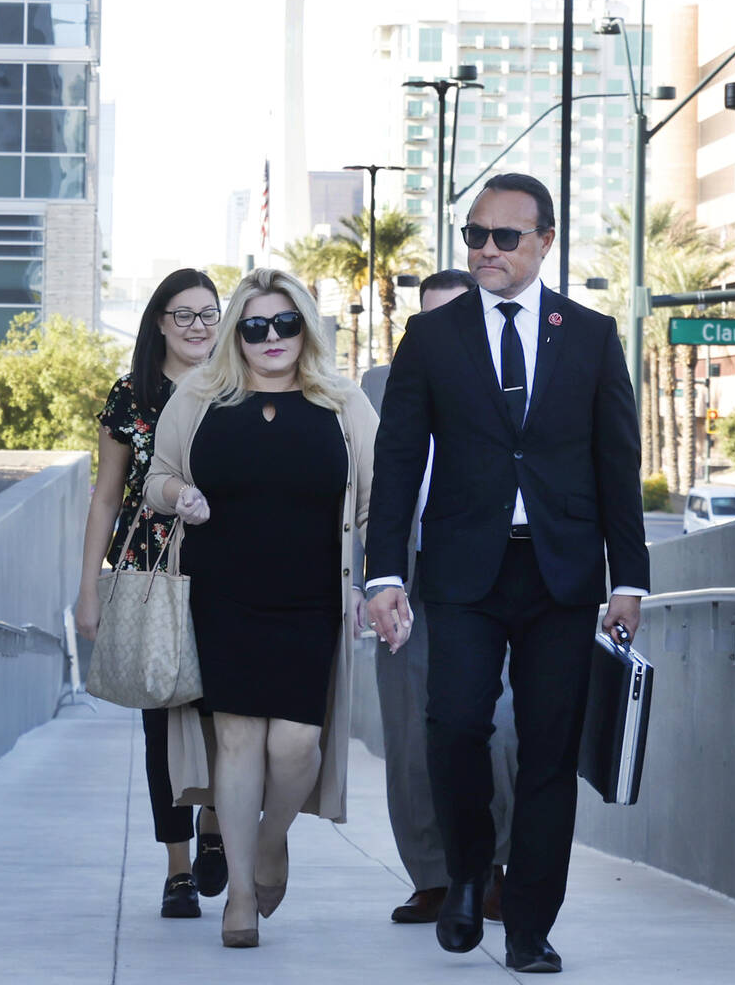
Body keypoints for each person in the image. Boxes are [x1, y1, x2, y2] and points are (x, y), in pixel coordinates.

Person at [365, 174, 649, 974]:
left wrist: (628, 579)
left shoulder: (589, 336)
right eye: (473, 236)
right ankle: (464, 872)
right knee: (453, 724)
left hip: (560, 575)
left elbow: (616, 465)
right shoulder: (432, 337)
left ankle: (528, 925)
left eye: (504, 237)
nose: (484, 250)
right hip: (462, 573)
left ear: (544, 242)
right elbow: (396, 463)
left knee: (548, 754)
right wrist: (383, 573)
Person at [143, 267, 377, 949]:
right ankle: (240, 894)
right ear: (236, 335)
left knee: (295, 741)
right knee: (238, 739)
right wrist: (175, 497)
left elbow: (377, 501)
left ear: (305, 326)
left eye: (284, 323)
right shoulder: (199, 395)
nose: (270, 337)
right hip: (222, 593)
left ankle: (272, 840)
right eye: (253, 326)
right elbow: (156, 477)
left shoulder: (342, 402)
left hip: (310, 598)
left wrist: (368, 581)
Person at [360, 270, 516, 926]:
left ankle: (492, 870)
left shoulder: (515, 379)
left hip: (493, 569)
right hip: (407, 575)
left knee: (499, 726)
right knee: (410, 730)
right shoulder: (377, 388)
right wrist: (373, 580)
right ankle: (432, 879)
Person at [74, 268, 228, 920]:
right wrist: (89, 591)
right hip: (146, 576)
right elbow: (107, 497)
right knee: (162, 721)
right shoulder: (131, 396)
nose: (198, 326)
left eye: (208, 314)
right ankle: (178, 869)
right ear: (159, 323)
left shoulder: (238, 390)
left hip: (228, 571)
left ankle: (218, 828)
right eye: (184, 314)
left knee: (226, 714)